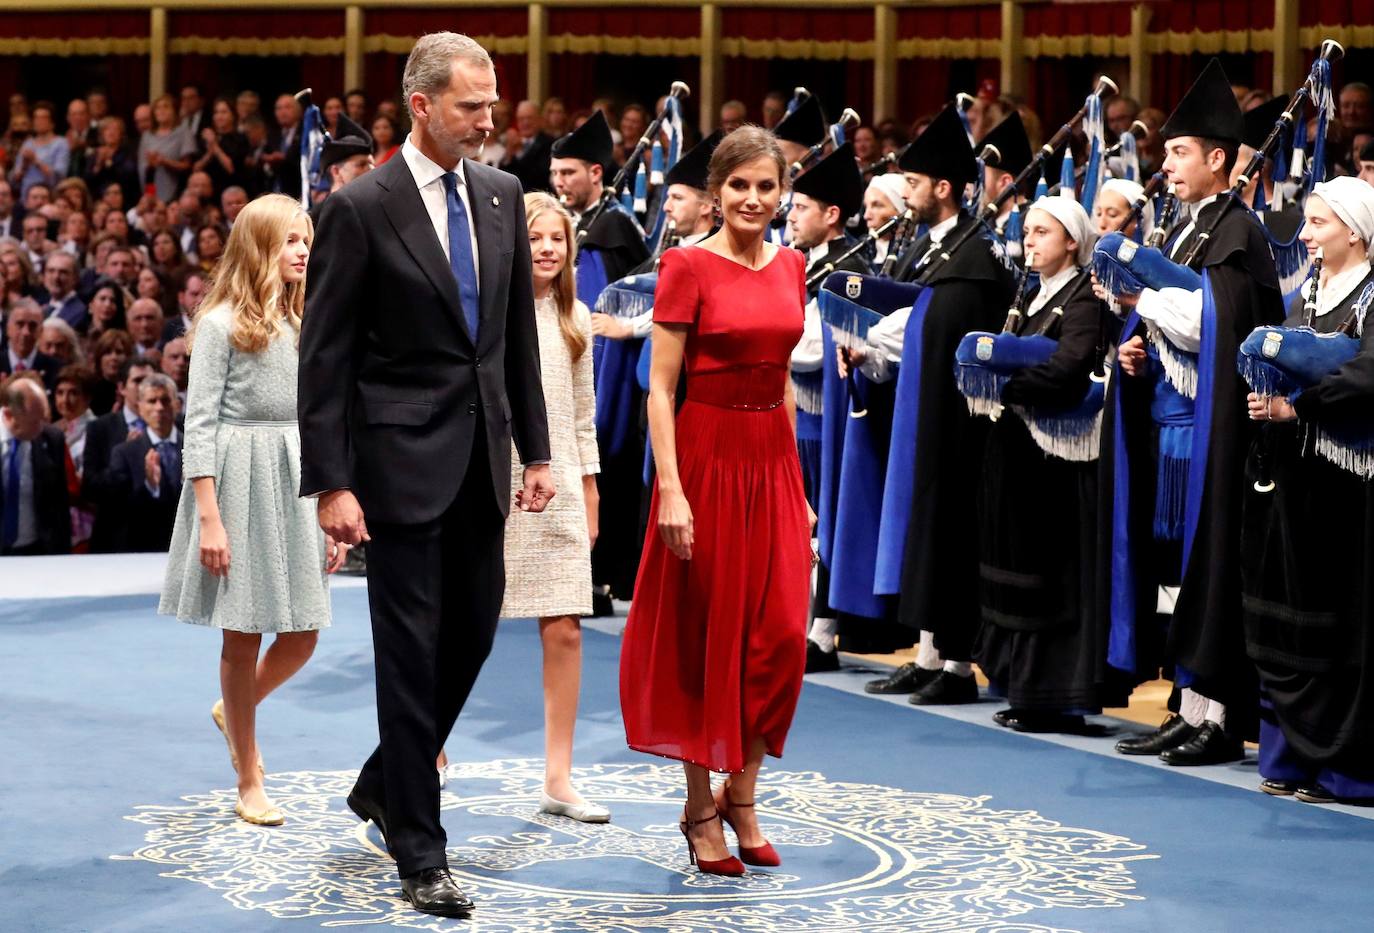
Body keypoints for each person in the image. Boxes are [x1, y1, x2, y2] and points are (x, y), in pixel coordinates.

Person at [298, 32, 553, 918]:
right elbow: (323, 360)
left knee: (473, 638)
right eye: (470, 106)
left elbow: (514, 338)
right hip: (395, 470)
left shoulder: (503, 193)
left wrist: (542, 452)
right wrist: (332, 483)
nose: (488, 121)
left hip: (484, 463)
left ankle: (382, 779)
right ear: (419, 105)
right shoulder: (359, 207)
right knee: (407, 660)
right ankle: (420, 849)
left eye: (491, 104)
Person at [619, 126, 812, 877]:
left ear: (781, 190)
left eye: (767, 186)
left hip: (771, 464)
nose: (754, 200)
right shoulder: (685, 264)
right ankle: (701, 807)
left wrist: (798, 491)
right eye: (740, 186)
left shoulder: (794, 264)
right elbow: (660, 389)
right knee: (705, 636)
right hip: (703, 459)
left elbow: (784, 382)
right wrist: (672, 487)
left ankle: (745, 792)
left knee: (782, 637)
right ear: (715, 192)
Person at [1102, 59, 1284, 765]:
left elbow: (1221, 323)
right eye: (1167, 152)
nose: (1168, 165)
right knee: (1178, 571)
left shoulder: (1239, 232)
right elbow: (1173, 326)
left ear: (1218, 158)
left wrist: (1140, 303)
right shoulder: (1181, 230)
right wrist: (1135, 350)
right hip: (1168, 428)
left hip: (1214, 436)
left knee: (1209, 569)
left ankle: (1217, 714)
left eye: (1180, 153)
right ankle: (1187, 701)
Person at [159, 193, 341, 826]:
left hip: (295, 476)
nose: (302, 252)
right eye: (291, 241)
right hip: (237, 480)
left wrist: (327, 502)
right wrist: (210, 517)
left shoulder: (303, 320)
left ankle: (235, 708)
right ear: (260, 246)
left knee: (304, 630)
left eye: (306, 241)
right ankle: (248, 776)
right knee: (244, 632)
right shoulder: (216, 324)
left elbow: (317, 421)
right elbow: (200, 424)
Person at [850, 103, 1015, 703]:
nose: (907, 193)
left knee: (952, 535)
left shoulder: (976, 256)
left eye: (915, 184)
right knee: (929, 532)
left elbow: (946, 333)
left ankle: (955, 664)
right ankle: (931, 653)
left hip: (960, 425)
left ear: (944, 188)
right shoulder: (933, 249)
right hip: (925, 413)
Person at [1240, 176, 1374, 803]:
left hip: (1351, 489)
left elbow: (1366, 374)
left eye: (1318, 225)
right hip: (1296, 479)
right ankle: (1291, 757)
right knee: (1291, 619)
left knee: (1343, 623)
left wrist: (1301, 407)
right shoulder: (1310, 294)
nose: (1307, 238)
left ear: (1354, 230)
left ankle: (1345, 767)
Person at [970, 195, 1117, 733]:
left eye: (1042, 233)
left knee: (1050, 574)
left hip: (1054, 461)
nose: (1029, 241)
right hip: (1019, 453)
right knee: (1015, 565)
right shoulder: (1031, 294)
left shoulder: (1083, 297)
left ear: (1072, 243)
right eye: (1027, 232)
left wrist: (1005, 385)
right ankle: (1023, 689)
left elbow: (1072, 366)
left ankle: (1053, 696)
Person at [497, 191, 607, 821]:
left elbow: (582, 416)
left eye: (556, 239)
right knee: (464, 625)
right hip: (496, 475)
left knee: (565, 627)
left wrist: (590, 490)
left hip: (561, 480)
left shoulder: (576, 318)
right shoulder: (490, 311)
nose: (545, 248)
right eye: (534, 237)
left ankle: (558, 778)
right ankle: (429, 750)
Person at [104, 373, 182, 551]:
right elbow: (117, 509)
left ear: (177, 404)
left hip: (185, 549)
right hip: (141, 548)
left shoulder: (193, 447)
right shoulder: (124, 453)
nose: (159, 407)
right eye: (152, 401)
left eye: (165, 400)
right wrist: (150, 486)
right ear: (139, 407)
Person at [0, 373, 71, 555]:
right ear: (9, 415)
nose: (41, 428)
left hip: (35, 550)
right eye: (35, 422)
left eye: (44, 419)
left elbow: (60, 504)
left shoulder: (51, 439)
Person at [53, 363, 97, 551]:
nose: (65, 400)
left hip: (87, 516)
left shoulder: (96, 429)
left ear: (87, 398)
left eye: (73, 393)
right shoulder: (53, 429)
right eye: (60, 393)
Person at [307, 115, 374, 227]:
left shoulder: (374, 210)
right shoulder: (317, 218)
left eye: (372, 163)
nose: (372, 169)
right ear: (336, 172)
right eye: (361, 164)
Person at [139, 94, 195, 203]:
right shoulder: (147, 136)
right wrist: (150, 164)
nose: (161, 111)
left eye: (166, 107)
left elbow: (187, 166)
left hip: (177, 191)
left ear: (174, 111)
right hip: (152, 189)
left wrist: (165, 161)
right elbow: (143, 170)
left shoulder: (184, 132)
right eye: (158, 108)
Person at [8, 102, 68, 201]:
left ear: (52, 123)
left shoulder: (61, 143)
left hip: (49, 198)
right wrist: (24, 166)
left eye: (43, 118)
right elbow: (14, 181)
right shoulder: (27, 144)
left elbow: (59, 178)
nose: (38, 121)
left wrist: (36, 161)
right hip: (26, 198)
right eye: (36, 118)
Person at [2, 299, 61, 387]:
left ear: (41, 331)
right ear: (8, 329)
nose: (26, 332)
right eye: (20, 324)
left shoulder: (56, 370)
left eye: (32, 326)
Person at [40, 252, 87, 332]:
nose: (56, 277)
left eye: (63, 272)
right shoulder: (41, 306)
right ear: (44, 276)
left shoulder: (79, 312)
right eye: (51, 271)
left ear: (75, 278)